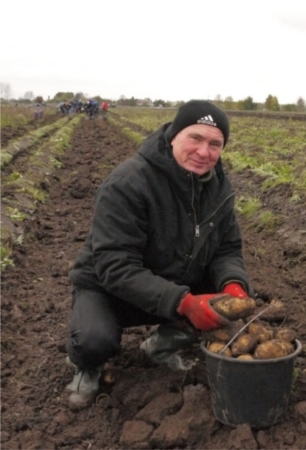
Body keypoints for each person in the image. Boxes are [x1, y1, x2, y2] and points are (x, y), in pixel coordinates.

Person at [65, 100, 253, 408]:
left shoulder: (219, 189)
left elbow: (227, 249)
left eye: (214, 144)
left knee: (233, 302)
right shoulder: (128, 183)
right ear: (173, 135)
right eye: (196, 138)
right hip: (109, 288)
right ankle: (85, 365)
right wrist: (186, 303)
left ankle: (161, 347)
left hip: (173, 283)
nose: (204, 152)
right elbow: (115, 266)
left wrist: (233, 286)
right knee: (94, 341)